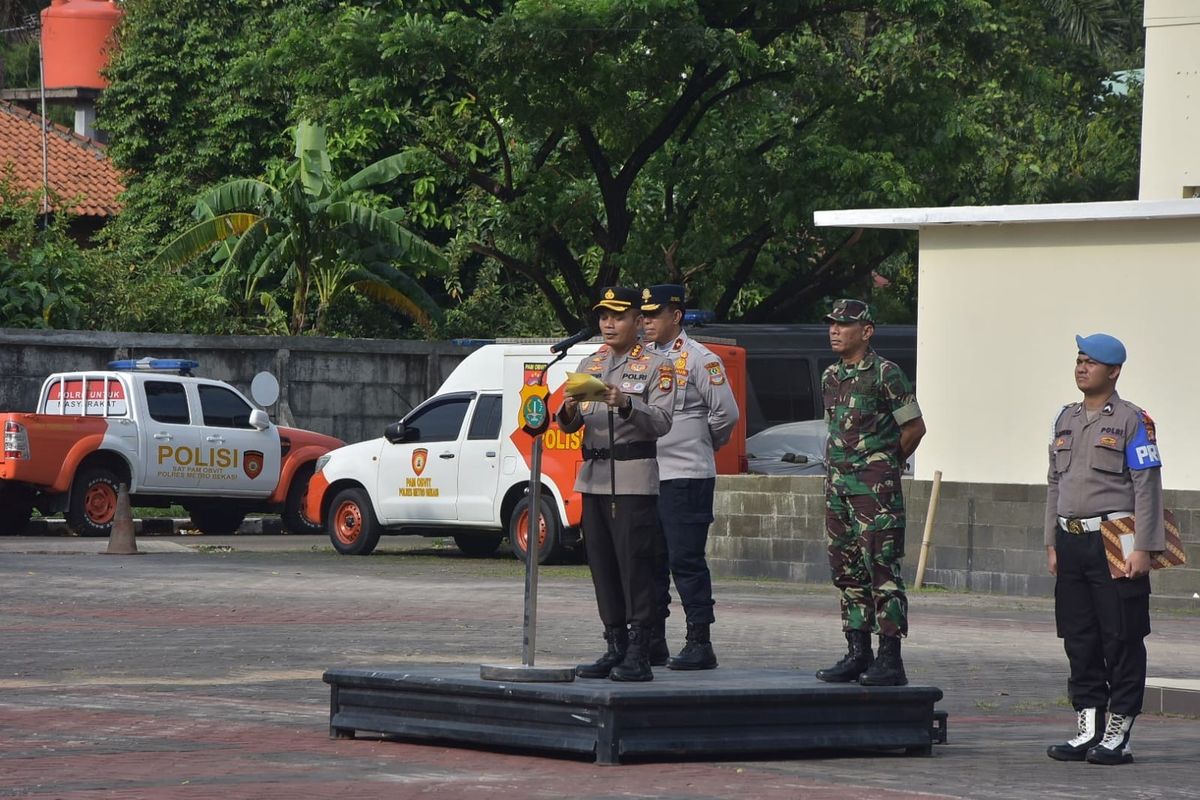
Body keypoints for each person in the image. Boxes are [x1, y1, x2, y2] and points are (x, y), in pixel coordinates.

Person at [1044, 333, 1164, 766]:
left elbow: (1146, 487)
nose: (1081, 368)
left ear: (1113, 371)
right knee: (1079, 637)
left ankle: (1119, 730)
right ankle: (1088, 724)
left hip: (1116, 539)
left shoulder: (1133, 421)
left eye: (1091, 362)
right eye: (1078, 360)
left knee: (1122, 635)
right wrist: (1051, 542)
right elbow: (1054, 483)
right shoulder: (1066, 419)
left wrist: (1145, 548)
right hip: (1071, 539)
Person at [557, 286, 675, 682]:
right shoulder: (591, 363)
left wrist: (624, 402)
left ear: (638, 322)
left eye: (618, 316)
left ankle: (641, 648)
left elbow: (661, 421)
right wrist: (567, 409)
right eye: (604, 315)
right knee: (602, 565)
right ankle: (614, 643)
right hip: (592, 477)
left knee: (635, 564)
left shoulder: (659, 365)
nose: (608, 323)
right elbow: (572, 424)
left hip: (632, 477)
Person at [815, 298, 925, 687]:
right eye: (832, 324)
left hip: (875, 492)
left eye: (843, 325)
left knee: (882, 570)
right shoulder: (830, 375)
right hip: (838, 489)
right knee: (847, 572)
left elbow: (914, 428)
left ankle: (890, 657)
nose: (834, 330)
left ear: (866, 331)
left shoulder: (885, 374)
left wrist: (883, 465)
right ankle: (857, 651)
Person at [640, 284, 740, 670]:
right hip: (647, 474)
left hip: (686, 475)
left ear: (676, 316)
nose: (646, 322)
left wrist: (700, 443)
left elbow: (726, 415)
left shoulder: (701, 359)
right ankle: (653, 639)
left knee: (686, 561)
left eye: (654, 315)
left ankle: (700, 640)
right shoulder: (641, 359)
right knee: (650, 562)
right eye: (644, 315)